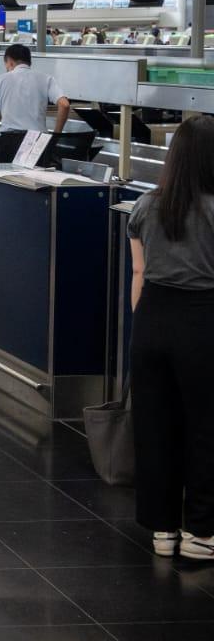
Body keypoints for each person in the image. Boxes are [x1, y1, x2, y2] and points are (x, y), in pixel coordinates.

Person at [127, 115, 214, 560]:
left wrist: (144, 326)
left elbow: (139, 274)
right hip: (202, 319)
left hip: (153, 318)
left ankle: (163, 530)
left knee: (156, 426)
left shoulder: (146, 206)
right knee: (205, 427)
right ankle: (201, 531)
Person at [0, 44, 70, 164]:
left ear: (9, 62)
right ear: (29, 62)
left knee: (8, 180)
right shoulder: (46, 79)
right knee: (36, 181)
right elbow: (64, 105)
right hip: (38, 142)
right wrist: (56, 135)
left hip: (10, 142)